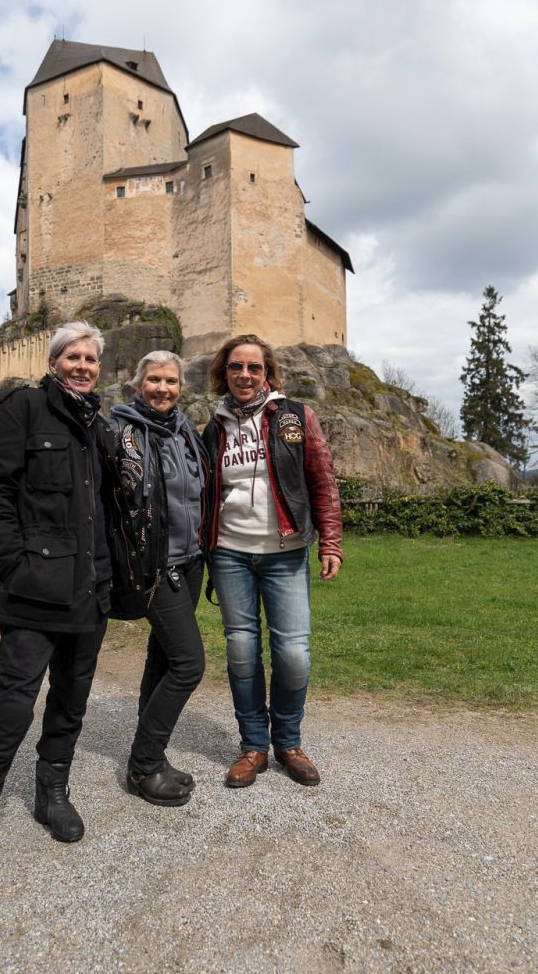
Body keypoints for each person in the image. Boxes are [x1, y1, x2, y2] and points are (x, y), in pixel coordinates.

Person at [0, 321, 113, 931]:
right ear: (54, 359)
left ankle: (50, 792)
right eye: (73, 356)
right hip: (35, 590)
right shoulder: (22, 408)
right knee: (12, 707)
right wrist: (16, 565)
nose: (82, 365)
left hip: (89, 590)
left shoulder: (96, 424)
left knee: (71, 700)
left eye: (91, 358)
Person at [201, 334, 343, 790]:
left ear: (267, 373)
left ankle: (288, 742)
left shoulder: (295, 417)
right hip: (230, 554)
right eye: (236, 367)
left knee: (293, 654)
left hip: (285, 553)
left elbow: (322, 479)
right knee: (242, 651)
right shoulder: (214, 427)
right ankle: (253, 747)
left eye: (254, 367)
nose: (244, 375)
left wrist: (330, 542)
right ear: (224, 373)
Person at [109, 350, 209, 807]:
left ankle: (153, 753)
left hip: (191, 562)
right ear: (138, 384)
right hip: (155, 567)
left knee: (164, 659)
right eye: (154, 380)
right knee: (189, 664)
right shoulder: (122, 432)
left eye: (171, 381)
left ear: (180, 387)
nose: (163, 388)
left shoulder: (186, 430)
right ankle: (144, 764)